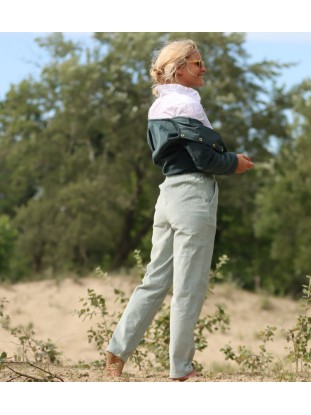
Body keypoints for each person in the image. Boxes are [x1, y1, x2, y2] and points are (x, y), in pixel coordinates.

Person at [105, 39, 254, 381]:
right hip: (193, 197)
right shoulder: (186, 104)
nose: (204, 69)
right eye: (198, 63)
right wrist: (235, 163)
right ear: (179, 69)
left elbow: (170, 153)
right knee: (189, 286)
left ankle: (117, 351)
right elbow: (203, 158)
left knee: (154, 281)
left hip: (167, 195)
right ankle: (181, 369)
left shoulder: (158, 107)